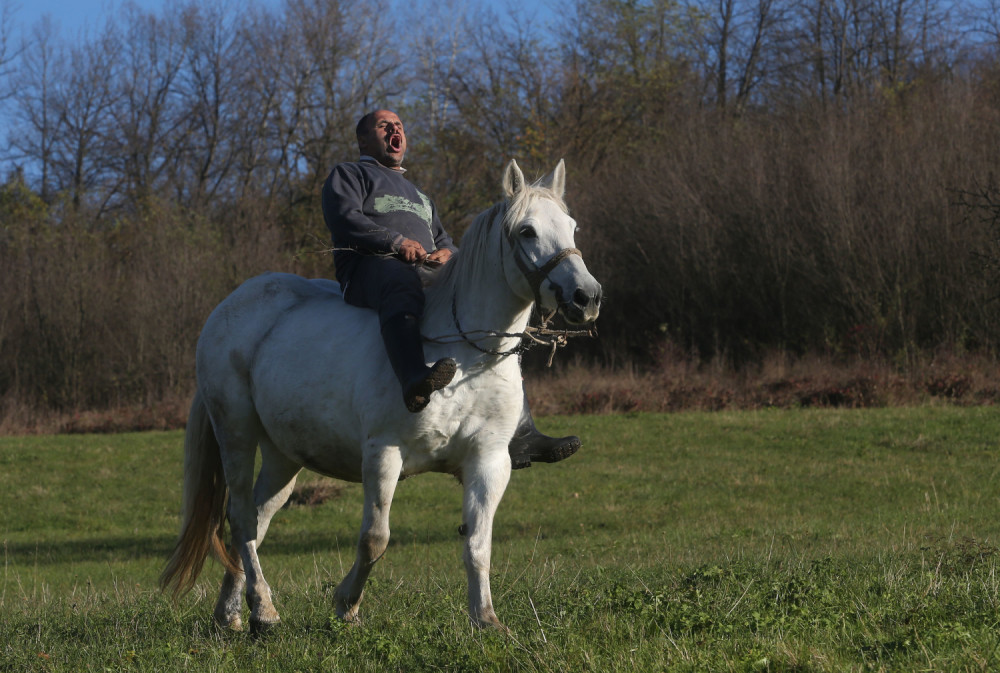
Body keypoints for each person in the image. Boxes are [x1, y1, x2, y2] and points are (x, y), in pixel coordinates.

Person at [321, 109, 579, 469]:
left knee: (495, 314)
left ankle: (521, 431)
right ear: (364, 140)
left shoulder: (420, 196)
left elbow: (443, 239)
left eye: (399, 126)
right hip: (371, 267)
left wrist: (448, 254)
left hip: (422, 271)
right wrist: (396, 243)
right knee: (401, 282)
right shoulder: (350, 174)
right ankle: (413, 380)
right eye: (384, 126)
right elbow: (345, 219)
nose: (395, 130)